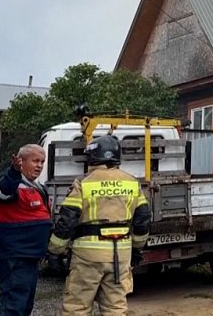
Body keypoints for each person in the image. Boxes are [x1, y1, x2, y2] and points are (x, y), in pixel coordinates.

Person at [47, 135, 150, 316]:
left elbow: (67, 220)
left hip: (88, 255)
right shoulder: (132, 183)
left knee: (77, 307)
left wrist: (55, 251)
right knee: (115, 307)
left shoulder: (83, 183)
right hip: (121, 254)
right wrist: (136, 247)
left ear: (92, 156)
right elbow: (143, 219)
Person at [0, 144, 51, 316]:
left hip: (30, 257)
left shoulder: (36, 187)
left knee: (25, 305)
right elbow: (4, 192)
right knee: (12, 306)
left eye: (42, 161)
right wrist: (13, 172)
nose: (39, 165)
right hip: (15, 257)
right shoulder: (12, 183)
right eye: (35, 161)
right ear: (21, 162)